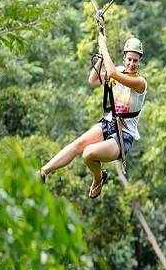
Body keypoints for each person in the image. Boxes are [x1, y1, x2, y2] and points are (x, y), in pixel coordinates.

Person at [40, 33, 147, 198]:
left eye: (135, 60)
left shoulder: (140, 83)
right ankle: (43, 171)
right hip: (108, 123)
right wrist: (101, 57)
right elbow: (93, 78)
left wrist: (103, 46)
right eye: (129, 59)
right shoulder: (118, 70)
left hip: (123, 135)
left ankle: (98, 178)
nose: (132, 63)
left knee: (88, 153)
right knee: (79, 144)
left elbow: (113, 73)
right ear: (124, 57)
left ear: (140, 62)